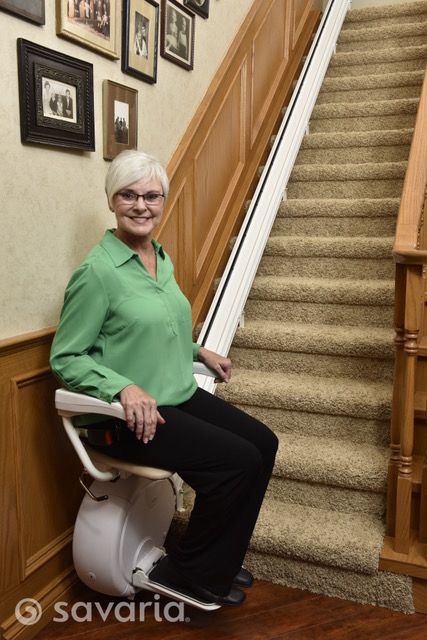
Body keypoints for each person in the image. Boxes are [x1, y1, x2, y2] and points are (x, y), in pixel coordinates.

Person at [50, 150, 278, 607]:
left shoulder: (158, 256)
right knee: (236, 462)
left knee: (263, 443)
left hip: (177, 393)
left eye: (151, 196)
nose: (141, 205)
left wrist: (197, 351)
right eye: (128, 195)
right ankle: (191, 572)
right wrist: (122, 386)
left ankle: (218, 565)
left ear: (163, 201)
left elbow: (152, 327)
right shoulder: (97, 273)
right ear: (112, 201)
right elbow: (66, 356)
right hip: (125, 418)